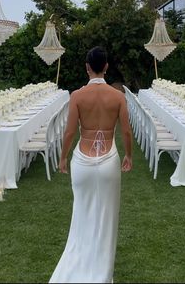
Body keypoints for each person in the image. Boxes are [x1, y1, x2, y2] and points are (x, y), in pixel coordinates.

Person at [49, 46, 133, 284]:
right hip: (108, 162)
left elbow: (69, 132)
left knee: (82, 213)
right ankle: (102, 272)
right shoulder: (118, 97)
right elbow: (126, 131)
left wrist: (63, 157)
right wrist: (129, 155)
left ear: (87, 67)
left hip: (82, 164)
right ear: (106, 67)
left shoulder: (77, 96)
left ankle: (81, 262)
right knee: (107, 216)